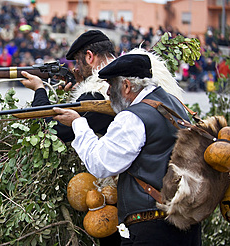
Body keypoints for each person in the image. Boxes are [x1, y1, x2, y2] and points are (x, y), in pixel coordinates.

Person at [52, 53, 202, 246]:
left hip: (152, 228)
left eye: (110, 85)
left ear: (126, 86)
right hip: (182, 221)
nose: (107, 93)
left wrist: (78, 124)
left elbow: (100, 164)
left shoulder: (133, 117)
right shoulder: (173, 103)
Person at [21, 29, 120, 245]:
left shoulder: (97, 94)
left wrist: (39, 90)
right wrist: (76, 92)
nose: (75, 69)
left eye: (78, 61)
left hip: (120, 196)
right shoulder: (121, 82)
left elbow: (54, 131)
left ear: (89, 57)